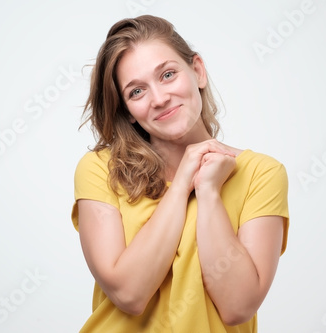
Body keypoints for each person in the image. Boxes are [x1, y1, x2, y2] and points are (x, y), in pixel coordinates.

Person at [71, 14, 289, 333]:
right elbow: (129, 294)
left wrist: (210, 192)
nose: (159, 99)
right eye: (136, 92)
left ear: (197, 71)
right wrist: (182, 182)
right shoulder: (100, 170)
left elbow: (238, 306)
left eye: (168, 74)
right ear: (127, 112)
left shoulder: (261, 174)